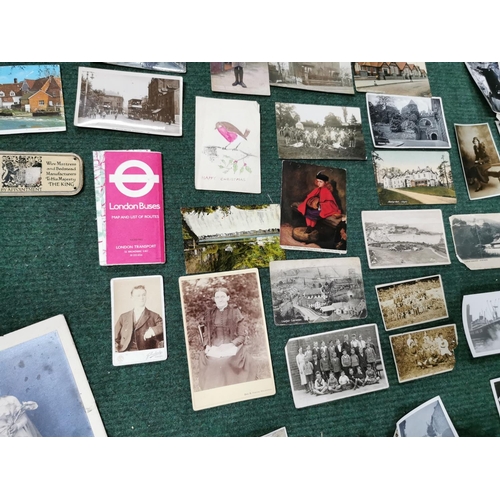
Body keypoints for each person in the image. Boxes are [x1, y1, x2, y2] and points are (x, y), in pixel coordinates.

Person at [198, 287, 256, 391]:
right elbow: (206, 333)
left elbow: (242, 336)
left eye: (222, 297)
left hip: (233, 345)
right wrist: (207, 345)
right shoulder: (210, 313)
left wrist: (230, 345)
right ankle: (213, 390)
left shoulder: (235, 312)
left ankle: (230, 388)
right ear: (214, 299)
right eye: (217, 297)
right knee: (207, 359)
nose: (220, 299)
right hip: (215, 345)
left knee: (224, 362)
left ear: (228, 298)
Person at [115, 285, 164, 352]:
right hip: (125, 352)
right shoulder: (123, 317)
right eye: (138, 296)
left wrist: (152, 331)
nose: (141, 298)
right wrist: (117, 349)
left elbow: (164, 326)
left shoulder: (154, 316)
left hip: (145, 352)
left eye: (143, 295)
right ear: (132, 298)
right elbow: (114, 337)